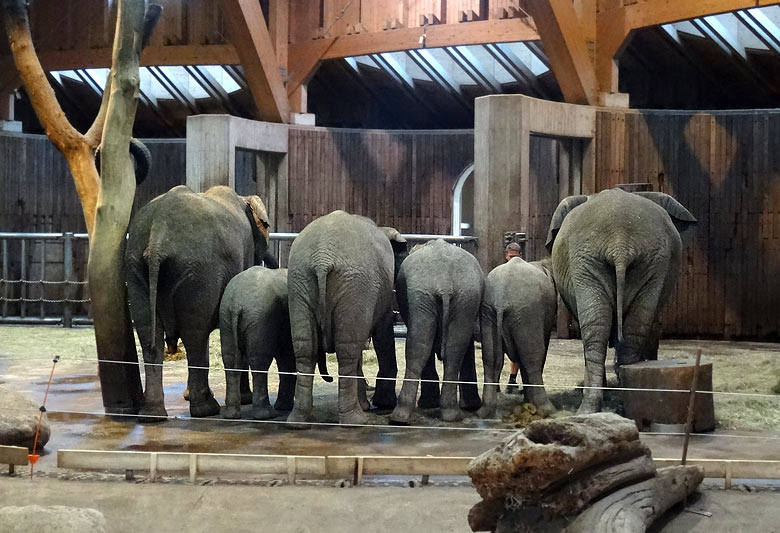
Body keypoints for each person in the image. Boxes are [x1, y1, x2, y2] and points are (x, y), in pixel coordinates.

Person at [503, 243, 522, 394]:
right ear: (506, 256)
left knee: (518, 349)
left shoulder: (524, 274)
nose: (513, 259)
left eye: (515, 257)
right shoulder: (499, 273)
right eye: (511, 257)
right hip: (502, 316)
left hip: (518, 316)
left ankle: (512, 379)